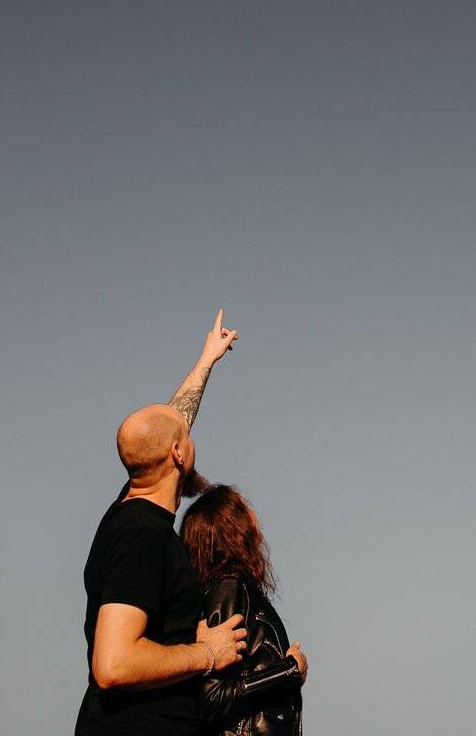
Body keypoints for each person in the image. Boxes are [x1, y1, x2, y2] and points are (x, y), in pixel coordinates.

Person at [76, 311, 247, 735]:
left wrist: (206, 360)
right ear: (178, 454)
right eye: (186, 437)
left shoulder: (128, 507)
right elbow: (113, 664)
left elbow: (171, 423)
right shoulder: (142, 536)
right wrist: (207, 653)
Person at [180, 486, 308, 736]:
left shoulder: (238, 590)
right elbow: (212, 698)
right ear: (234, 530)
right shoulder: (228, 588)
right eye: (244, 510)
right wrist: (289, 670)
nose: (255, 518)